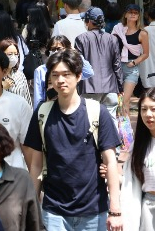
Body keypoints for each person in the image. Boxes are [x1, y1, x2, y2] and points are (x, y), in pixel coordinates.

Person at [25, 48, 122, 231]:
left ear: (78, 76)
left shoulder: (97, 112)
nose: (60, 80)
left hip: (94, 211)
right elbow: (36, 165)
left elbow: (110, 162)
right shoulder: (42, 114)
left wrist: (115, 210)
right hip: (54, 212)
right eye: (55, 75)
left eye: (66, 74)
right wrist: (31, 208)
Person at [121, 87, 155, 230]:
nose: (148, 114)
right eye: (143, 109)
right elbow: (130, 180)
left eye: (154, 109)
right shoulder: (138, 145)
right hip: (147, 208)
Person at [75, 7, 122, 122]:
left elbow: (78, 63)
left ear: (89, 22)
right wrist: (120, 86)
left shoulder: (81, 39)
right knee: (111, 120)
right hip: (110, 86)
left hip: (88, 86)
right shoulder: (112, 39)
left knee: (90, 120)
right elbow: (117, 64)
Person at [33, 35, 95, 110]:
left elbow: (89, 72)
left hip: (70, 107)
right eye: (52, 49)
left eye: (59, 49)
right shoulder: (40, 70)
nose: (56, 52)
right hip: (49, 108)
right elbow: (38, 96)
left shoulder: (72, 68)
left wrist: (75, 53)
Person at [111, 4, 150, 111]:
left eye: (135, 13)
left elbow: (146, 53)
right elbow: (111, 46)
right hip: (117, 66)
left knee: (125, 100)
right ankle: (118, 126)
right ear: (126, 14)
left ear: (138, 16)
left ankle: (125, 127)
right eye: (130, 12)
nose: (133, 14)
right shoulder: (117, 29)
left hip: (131, 68)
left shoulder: (142, 33)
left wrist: (134, 63)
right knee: (116, 100)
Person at [0, 38, 33, 107]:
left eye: (16, 54)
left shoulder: (20, 75)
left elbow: (27, 100)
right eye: (10, 54)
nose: (13, 57)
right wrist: (1, 88)